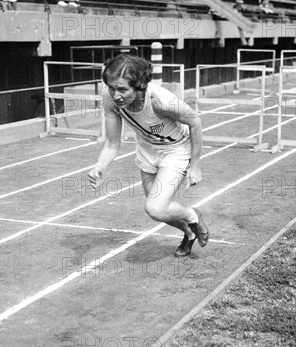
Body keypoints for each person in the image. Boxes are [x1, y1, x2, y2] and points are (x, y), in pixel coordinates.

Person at [88, 54, 210, 258]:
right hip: (147, 152)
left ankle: (193, 215)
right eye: (111, 88)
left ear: (139, 86)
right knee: (160, 211)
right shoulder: (110, 100)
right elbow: (112, 142)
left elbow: (195, 122)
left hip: (175, 151)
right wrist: (100, 166)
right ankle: (189, 233)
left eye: (123, 89)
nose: (116, 95)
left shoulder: (160, 101)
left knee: (155, 207)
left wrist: (195, 166)